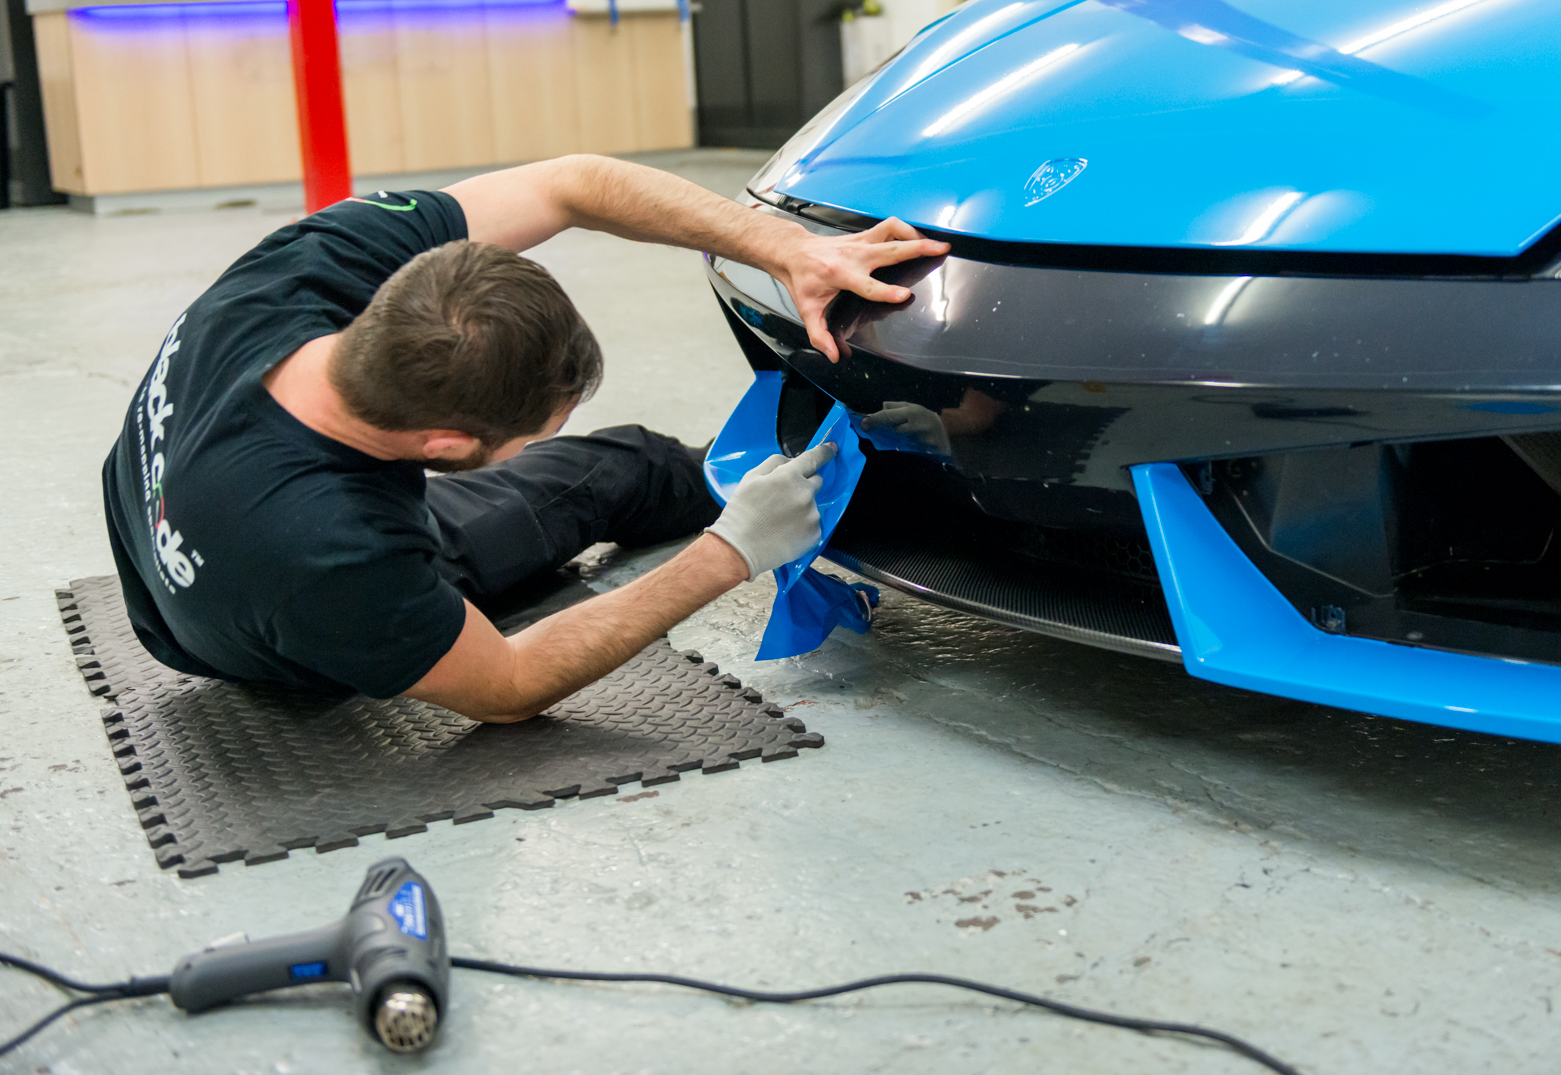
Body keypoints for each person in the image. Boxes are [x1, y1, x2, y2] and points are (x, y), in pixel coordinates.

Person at [101, 154, 947, 723]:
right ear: (441, 444)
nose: (548, 436)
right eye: (536, 430)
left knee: (636, 463)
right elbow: (509, 685)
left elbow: (572, 183)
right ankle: (770, 510)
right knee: (539, 533)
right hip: (253, 637)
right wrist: (729, 553)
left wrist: (787, 245)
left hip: (187, 512)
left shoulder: (310, 267)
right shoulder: (339, 553)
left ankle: (793, 482)